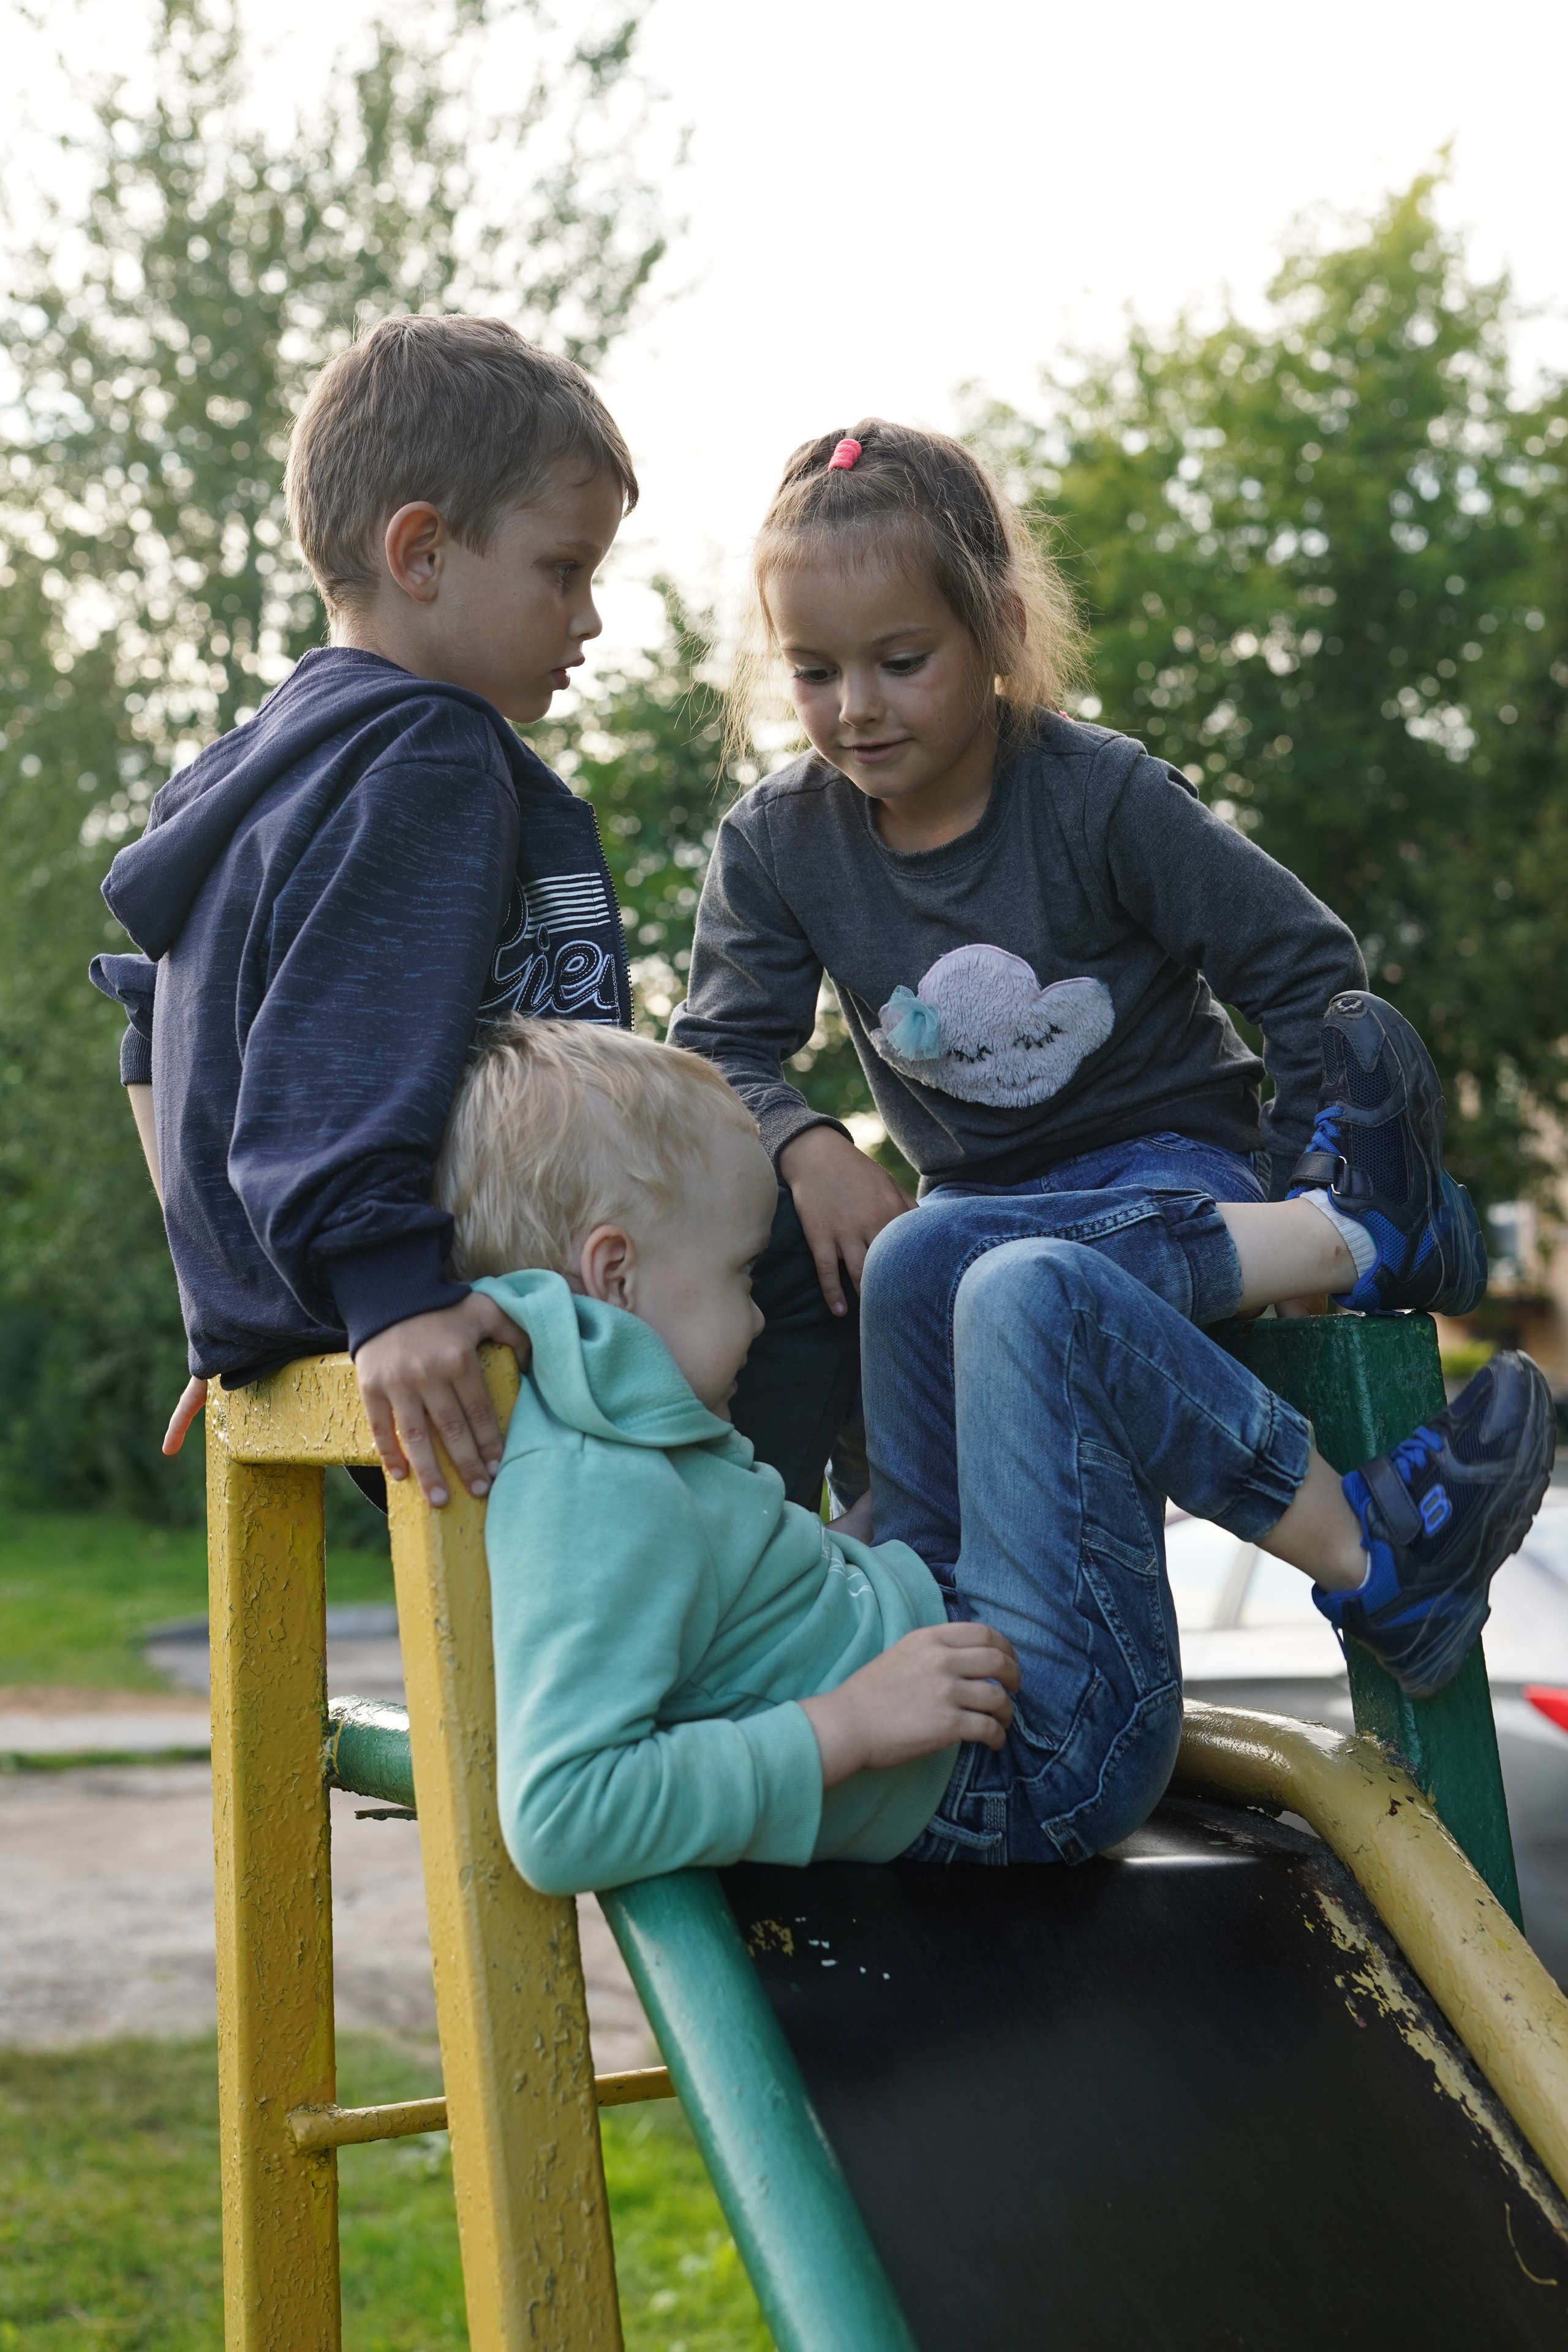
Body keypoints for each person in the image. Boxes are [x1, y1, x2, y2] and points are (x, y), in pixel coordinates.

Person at [438, 1020, 1552, 1891]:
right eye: (738, 1276)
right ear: (616, 1274)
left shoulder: (623, 1417)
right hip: (1028, 1764)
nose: (761, 1316)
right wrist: (848, 1725)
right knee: (1038, 1295)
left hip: (947, 1651)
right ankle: (1376, 1558)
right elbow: (565, 1816)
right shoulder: (593, 1488)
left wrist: (856, 1556)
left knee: (921, 1255)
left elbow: (746, 1614)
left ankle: (1358, 1234)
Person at [88, 317, 854, 1512]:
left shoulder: (268, 765)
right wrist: (385, 1287)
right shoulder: (425, 752)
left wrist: (228, 1306)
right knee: (812, 1271)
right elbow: (339, 1039)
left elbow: (156, 1022)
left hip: (321, 1309)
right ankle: (783, 1601)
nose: (588, 618)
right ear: (422, 553)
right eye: (563, 570)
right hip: (422, 1310)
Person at [667, 421, 1488, 1517]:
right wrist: (805, 1142)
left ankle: (1352, 1235)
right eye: (815, 672)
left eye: (901, 663)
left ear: (999, 629)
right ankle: (906, 1593)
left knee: (936, 1262)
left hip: (1172, 1178)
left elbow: (1307, 969)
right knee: (916, 1286)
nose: (856, 706)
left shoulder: (1099, 797)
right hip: (972, 1202)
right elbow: (717, 1048)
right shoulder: (779, 841)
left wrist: (1301, 1196)